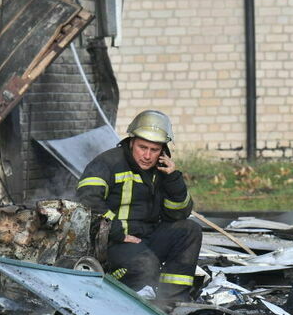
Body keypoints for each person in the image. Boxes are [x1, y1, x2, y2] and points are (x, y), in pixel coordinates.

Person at [76, 110, 202, 304]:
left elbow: (179, 214)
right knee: (145, 266)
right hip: (114, 243)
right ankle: (122, 298)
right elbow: (87, 199)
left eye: (154, 150)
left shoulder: (163, 171)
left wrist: (173, 179)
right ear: (131, 141)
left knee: (189, 230)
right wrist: (116, 232)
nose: (147, 156)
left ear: (163, 150)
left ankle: (172, 302)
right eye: (143, 147)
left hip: (147, 239)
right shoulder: (107, 163)